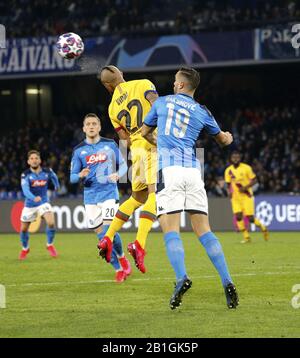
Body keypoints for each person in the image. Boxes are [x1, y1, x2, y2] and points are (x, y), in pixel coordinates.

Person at [141, 67, 239, 310]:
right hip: (193, 172)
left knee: (170, 230)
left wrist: (160, 141)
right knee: (204, 230)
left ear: (182, 85)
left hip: (169, 171)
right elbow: (224, 141)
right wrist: (228, 136)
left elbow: (145, 133)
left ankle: (181, 277)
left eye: (175, 82)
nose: (173, 84)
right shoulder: (202, 111)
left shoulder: (162, 103)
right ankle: (227, 281)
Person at [97, 65, 158, 273]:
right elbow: (156, 105)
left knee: (137, 198)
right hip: (154, 142)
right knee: (155, 195)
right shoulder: (143, 83)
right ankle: (139, 244)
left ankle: (108, 237)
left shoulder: (112, 109)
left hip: (136, 149)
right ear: (121, 74)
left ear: (107, 86)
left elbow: (124, 139)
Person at [70, 113, 131, 283]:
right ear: (83, 128)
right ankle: (118, 267)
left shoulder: (110, 144)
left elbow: (124, 165)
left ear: (99, 127)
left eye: (94, 124)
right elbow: (72, 178)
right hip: (90, 197)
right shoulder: (78, 151)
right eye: (88, 124)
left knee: (108, 231)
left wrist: (118, 175)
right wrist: (80, 175)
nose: (91, 126)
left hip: (109, 194)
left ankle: (122, 259)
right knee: (100, 237)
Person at [19, 150, 59, 260]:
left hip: (43, 202)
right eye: (31, 159)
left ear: (40, 160)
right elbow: (25, 190)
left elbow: (54, 177)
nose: (34, 160)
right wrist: (33, 197)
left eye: (36, 158)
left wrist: (56, 186)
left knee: (51, 222)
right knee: (23, 229)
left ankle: (50, 245)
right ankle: (25, 248)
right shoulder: (25, 175)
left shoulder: (47, 171)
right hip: (30, 204)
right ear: (28, 161)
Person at [224, 151, 269, 243]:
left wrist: (245, 187)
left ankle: (263, 228)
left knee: (250, 218)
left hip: (246, 195)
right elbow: (228, 184)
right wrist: (229, 192)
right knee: (238, 217)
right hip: (236, 197)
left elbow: (255, 180)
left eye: (237, 157)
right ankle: (246, 237)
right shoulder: (228, 170)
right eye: (234, 157)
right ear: (231, 159)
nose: (236, 159)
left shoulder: (246, 168)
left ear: (240, 158)